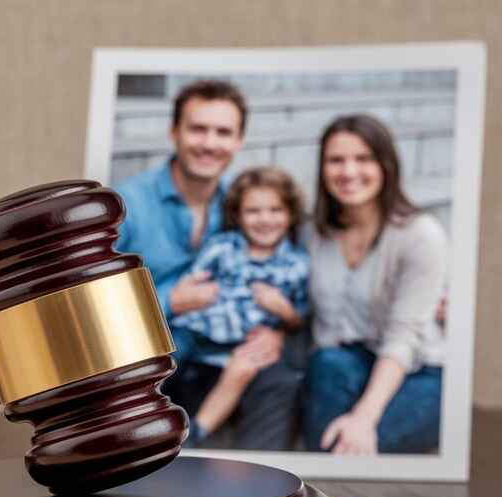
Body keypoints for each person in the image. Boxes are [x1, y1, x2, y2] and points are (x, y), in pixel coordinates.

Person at [115, 80, 295, 450]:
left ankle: (263, 487)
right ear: (174, 132)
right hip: (150, 350)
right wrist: (167, 301)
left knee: (279, 376)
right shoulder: (127, 204)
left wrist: (277, 331)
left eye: (223, 132)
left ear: (239, 141)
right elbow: (96, 303)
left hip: (218, 343)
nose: (210, 143)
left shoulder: (243, 202)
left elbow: (283, 269)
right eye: (198, 129)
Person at [303, 114, 447, 454]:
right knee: (328, 362)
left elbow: (404, 337)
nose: (349, 172)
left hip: (418, 370)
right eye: (336, 160)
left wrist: (364, 417)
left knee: (355, 445)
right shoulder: (312, 233)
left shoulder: (420, 235)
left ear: (386, 164)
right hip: (346, 362)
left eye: (363, 158)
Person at [169, 167, 309, 446]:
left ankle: (196, 433)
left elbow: (299, 317)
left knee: (241, 371)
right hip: (198, 330)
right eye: (253, 211)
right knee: (168, 354)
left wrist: (282, 309)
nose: (265, 219)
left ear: (290, 214)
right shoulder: (223, 246)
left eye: (275, 210)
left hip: (242, 343)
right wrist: (197, 290)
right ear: (238, 215)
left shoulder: (296, 264)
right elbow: (192, 281)